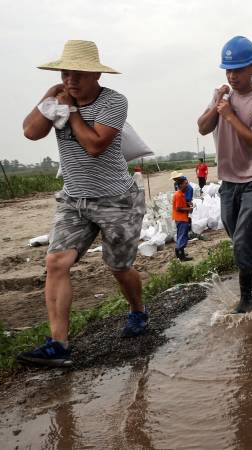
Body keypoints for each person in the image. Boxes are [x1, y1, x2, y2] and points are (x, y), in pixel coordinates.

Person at [18, 40, 147, 367]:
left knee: (118, 266)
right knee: (56, 263)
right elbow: (31, 132)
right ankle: (58, 344)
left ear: (95, 75)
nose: (70, 80)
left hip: (117, 200)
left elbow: (95, 145)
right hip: (74, 199)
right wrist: (48, 99)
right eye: (65, 73)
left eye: (77, 74)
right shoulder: (57, 95)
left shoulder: (114, 101)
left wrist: (71, 111)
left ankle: (138, 311)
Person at [197, 36, 252, 314]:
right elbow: (202, 127)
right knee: (237, 237)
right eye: (228, 70)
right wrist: (217, 104)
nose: (232, 76)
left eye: (238, 70)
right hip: (229, 180)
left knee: (244, 236)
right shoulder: (222, 96)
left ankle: (247, 298)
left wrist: (231, 115)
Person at [173, 176, 194, 261]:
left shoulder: (181, 193)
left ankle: (179, 253)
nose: (187, 185)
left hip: (182, 218)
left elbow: (182, 204)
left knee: (181, 235)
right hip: (181, 218)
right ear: (180, 185)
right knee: (182, 236)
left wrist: (188, 203)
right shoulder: (178, 195)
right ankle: (181, 256)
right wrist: (189, 209)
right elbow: (178, 208)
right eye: (185, 183)